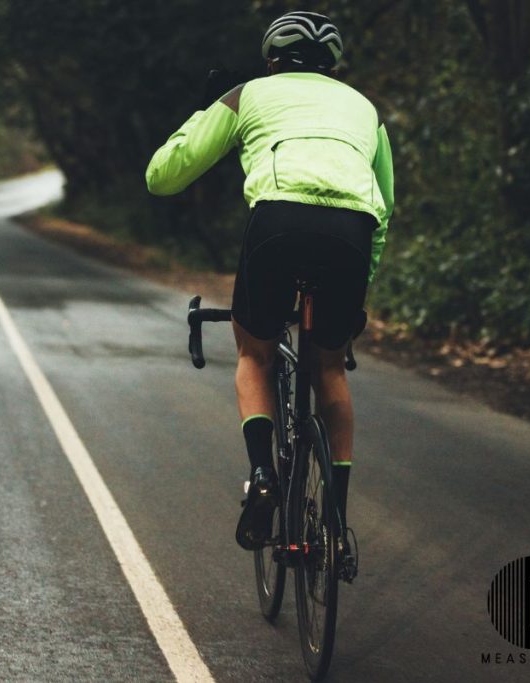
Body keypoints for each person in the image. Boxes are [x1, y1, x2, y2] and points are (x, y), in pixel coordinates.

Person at [145, 11, 394, 550]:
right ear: (332, 64)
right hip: (352, 232)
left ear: (272, 59)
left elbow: (162, 176)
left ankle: (263, 476)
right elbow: (386, 204)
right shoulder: (365, 109)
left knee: (254, 353)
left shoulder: (248, 94)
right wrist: (360, 284)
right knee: (330, 366)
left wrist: (205, 110)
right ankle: (334, 519)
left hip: (277, 224)